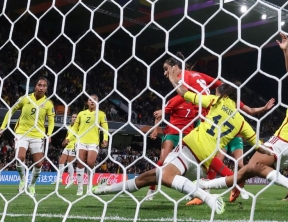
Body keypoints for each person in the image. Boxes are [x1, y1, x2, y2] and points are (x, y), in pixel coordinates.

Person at [93, 72, 269, 215]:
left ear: (222, 94)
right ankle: (103, 190)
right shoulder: (242, 121)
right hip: (205, 162)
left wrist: (171, 77)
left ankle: (207, 197)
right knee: (145, 178)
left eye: (216, 92)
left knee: (166, 177)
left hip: (190, 148)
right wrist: (271, 152)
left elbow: (185, 93)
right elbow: (258, 145)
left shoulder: (217, 101)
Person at [198, 33, 288, 205]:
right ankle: (209, 186)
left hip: (282, 141)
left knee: (252, 166)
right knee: (248, 170)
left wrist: (286, 52)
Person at [146, 53, 222, 200]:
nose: (164, 73)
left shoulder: (193, 100)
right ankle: (151, 189)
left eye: (166, 69)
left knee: (189, 164)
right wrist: (156, 129)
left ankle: (193, 189)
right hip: (173, 132)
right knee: (163, 161)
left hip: (188, 134)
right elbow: (160, 114)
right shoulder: (178, 98)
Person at [188, 98, 276, 205]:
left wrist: (264, 108)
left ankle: (240, 187)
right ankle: (207, 189)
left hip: (235, 136)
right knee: (216, 161)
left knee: (239, 163)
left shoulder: (236, 101)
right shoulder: (219, 100)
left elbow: (251, 110)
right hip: (222, 135)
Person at [0, 77, 55, 196]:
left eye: (44, 86)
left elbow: (52, 121)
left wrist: (49, 134)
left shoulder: (48, 103)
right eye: (39, 85)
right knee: (20, 157)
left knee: (39, 164)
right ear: (35, 86)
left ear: (47, 88)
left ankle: (32, 184)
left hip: (38, 135)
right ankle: (23, 180)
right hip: (22, 133)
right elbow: (10, 111)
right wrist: (3, 127)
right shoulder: (25, 98)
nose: (41, 88)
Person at [62, 94, 108, 196]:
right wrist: (68, 138)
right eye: (90, 100)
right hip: (81, 141)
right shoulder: (81, 114)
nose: (92, 101)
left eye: (94, 100)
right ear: (87, 102)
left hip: (93, 142)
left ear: (97, 102)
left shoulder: (101, 114)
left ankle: (89, 187)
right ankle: (80, 188)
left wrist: (105, 138)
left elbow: (105, 128)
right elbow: (74, 128)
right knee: (80, 163)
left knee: (90, 163)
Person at [52, 113, 78, 188]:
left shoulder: (79, 127)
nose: (74, 118)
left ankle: (71, 179)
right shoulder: (69, 127)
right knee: (61, 161)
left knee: (69, 163)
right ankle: (59, 179)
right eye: (73, 117)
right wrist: (64, 141)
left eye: (75, 117)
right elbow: (67, 135)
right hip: (68, 146)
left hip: (74, 146)